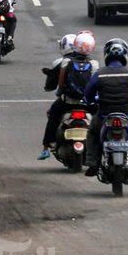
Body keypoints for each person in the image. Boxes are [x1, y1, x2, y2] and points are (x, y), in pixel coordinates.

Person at [83, 38, 128, 178]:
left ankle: (92, 162)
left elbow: (88, 95)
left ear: (106, 54)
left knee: (93, 132)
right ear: (125, 55)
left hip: (103, 117)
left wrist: (90, 101)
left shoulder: (99, 74)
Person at [37, 31, 99, 161]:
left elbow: (60, 83)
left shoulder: (66, 62)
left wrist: (60, 94)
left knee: (53, 115)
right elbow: (95, 84)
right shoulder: (94, 64)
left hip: (68, 102)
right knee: (100, 118)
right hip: (88, 104)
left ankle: (46, 147)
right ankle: (101, 145)